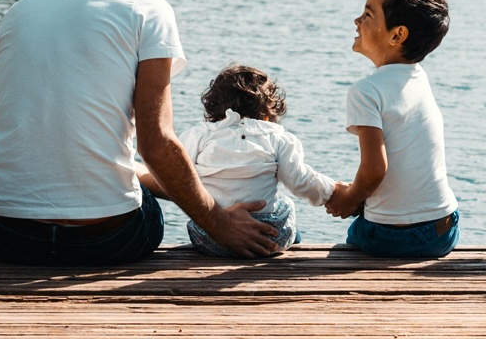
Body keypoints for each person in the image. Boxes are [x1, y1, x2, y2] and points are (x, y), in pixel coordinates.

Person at [0, 0, 278, 265]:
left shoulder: (18, 12)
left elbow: (59, 138)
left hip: (2, 234)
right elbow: (157, 144)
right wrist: (219, 222)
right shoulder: (145, 8)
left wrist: (197, 185)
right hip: (103, 239)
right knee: (147, 203)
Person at [139, 64, 337, 257]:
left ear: (213, 106)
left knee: (196, 213)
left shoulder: (199, 135)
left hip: (212, 238)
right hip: (268, 235)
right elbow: (300, 182)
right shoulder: (278, 138)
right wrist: (333, 191)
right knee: (285, 203)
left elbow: (177, 173)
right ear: (268, 113)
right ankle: (290, 241)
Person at [324, 0, 459, 258]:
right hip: (444, 229)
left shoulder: (366, 91)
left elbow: (375, 169)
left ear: (397, 35)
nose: (357, 21)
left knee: (357, 233)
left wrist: (349, 200)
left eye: (368, 14)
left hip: (393, 237)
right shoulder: (419, 78)